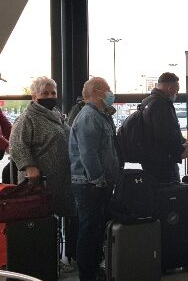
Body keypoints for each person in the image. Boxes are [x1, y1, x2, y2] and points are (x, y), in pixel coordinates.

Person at [69, 77, 120, 281]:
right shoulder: (89, 117)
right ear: (96, 92)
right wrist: (98, 179)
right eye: (107, 90)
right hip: (90, 185)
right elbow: (88, 153)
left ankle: (94, 269)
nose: (110, 93)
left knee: (96, 229)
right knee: (89, 231)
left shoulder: (100, 115)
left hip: (97, 184)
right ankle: (87, 275)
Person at [9, 76, 74, 217]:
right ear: (34, 97)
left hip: (61, 180)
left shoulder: (56, 115)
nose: (50, 96)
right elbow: (17, 144)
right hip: (39, 182)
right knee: (42, 223)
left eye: (53, 93)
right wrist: (29, 167)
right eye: (45, 93)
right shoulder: (27, 118)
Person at [140, 72, 188, 183]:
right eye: (176, 91)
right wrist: (180, 151)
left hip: (151, 160)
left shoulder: (147, 101)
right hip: (163, 164)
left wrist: (182, 142)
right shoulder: (162, 105)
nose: (176, 94)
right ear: (170, 88)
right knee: (170, 191)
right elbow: (164, 135)